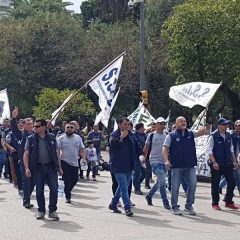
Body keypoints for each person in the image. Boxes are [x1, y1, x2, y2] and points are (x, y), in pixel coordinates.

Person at [162, 116, 205, 215]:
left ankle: (189, 206)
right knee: (175, 187)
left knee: (193, 184)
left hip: (190, 165)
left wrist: (202, 129)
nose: (183, 123)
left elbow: (201, 133)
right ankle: (175, 207)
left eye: (185, 121)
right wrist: (166, 161)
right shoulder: (171, 136)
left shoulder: (190, 133)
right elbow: (164, 149)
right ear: (176, 124)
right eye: (181, 121)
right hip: (177, 166)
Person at [24, 119, 63, 220]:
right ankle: (41, 211)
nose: (35, 128)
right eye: (34, 126)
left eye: (37, 126)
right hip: (38, 168)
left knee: (54, 189)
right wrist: (27, 168)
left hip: (51, 167)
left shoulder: (52, 137)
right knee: (39, 191)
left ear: (44, 127)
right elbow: (26, 154)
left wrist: (60, 167)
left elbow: (57, 153)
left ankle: (52, 211)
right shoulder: (31, 139)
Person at [108, 117, 141, 217]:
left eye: (128, 124)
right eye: (125, 124)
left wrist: (142, 155)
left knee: (123, 186)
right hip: (118, 166)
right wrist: (121, 138)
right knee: (123, 187)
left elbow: (137, 146)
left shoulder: (131, 135)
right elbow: (112, 146)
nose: (127, 126)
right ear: (119, 125)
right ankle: (127, 208)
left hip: (129, 166)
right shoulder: (114, 135)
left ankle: (113, 204)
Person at [207, 118, 239, 210]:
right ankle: (215, 203)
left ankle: (228, 201)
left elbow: (231, 149)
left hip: (227, 163)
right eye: (224, 125)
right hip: (217, 164)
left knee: (232, 182)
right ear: (219, 125)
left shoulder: (228, 135)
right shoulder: (213, 136)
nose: (226, 126)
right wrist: (214, 162)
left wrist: (234, 161)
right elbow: (209, 151)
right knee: (215, 185)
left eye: (227, 125)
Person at [10, 107, 35, 209]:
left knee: (33, 182)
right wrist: (13, 118)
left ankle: (27, 196)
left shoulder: (35, 134)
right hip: (24, 163)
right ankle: (26, 201)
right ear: (23, 125)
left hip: (34, 162)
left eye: (31, 124)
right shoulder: (20, 134)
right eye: (28, 124)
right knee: (26, 181)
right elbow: (13, 128)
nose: (30, 126)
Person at [144, 117, 171, 209]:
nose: (162, 125)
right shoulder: (151, 135)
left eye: (164, 123)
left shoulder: (167, 135)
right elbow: (146, 147)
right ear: (156, 124)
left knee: (160, 181)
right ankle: (165, 202)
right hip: (154, 161)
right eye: (160, 123)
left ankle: (149, 195)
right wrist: (144, 158)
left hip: (164, 161)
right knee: (163, 181)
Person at [57, 122, 86, 204]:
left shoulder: (78, 138)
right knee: (67, 180)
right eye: (68, 127)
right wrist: (57, 162)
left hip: (75, 162)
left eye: (71, 127)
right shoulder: (61, 138)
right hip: (64, 161)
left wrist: (83, 159)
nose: (69, 129)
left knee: (75, 179)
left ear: (74, 129)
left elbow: (82, 149)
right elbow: (57, 150)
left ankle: (67, 190)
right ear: (65, 128)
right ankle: (68, 196)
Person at [133, 123, 146, 195]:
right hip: (136, 157)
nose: (144, 129)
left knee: (144, 172)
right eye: (143, 127)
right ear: (139, 128)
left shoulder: (144, 135)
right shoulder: (134, 135)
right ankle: (137, 188)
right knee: (137, 173)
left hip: (143, 156)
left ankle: (136, 184)